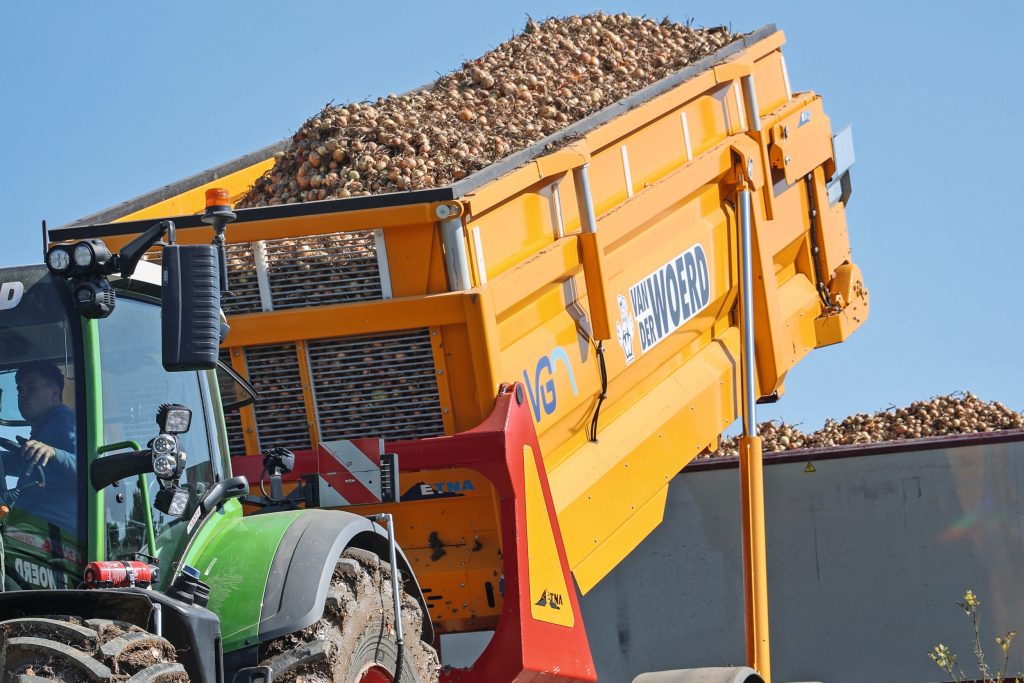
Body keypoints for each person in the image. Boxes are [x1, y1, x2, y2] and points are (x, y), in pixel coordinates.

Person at [0, 361, 76, 530]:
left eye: (31, 388)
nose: (22, 394)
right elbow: (24, 463)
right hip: (27, 527)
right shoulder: (43, 429)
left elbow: (89, 468)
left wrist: (54, 453)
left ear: (55, 393)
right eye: (20, 389)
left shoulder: (66, 421)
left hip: (54, 533)